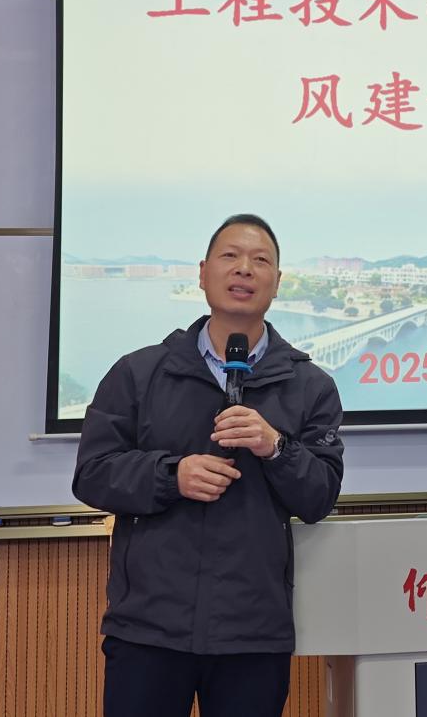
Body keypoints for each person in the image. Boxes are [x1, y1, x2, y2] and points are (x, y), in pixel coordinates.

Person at [72, 214, 344, 717]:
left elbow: (319, 498)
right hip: (149, 628)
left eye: (260, 260)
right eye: (230, 256)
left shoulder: (310, 387)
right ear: (202, 273)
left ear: (277, 282)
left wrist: (276, 446)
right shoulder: (140, 372)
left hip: (252, 632)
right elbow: (92, 474)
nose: (244, 269)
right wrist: (170, 475)